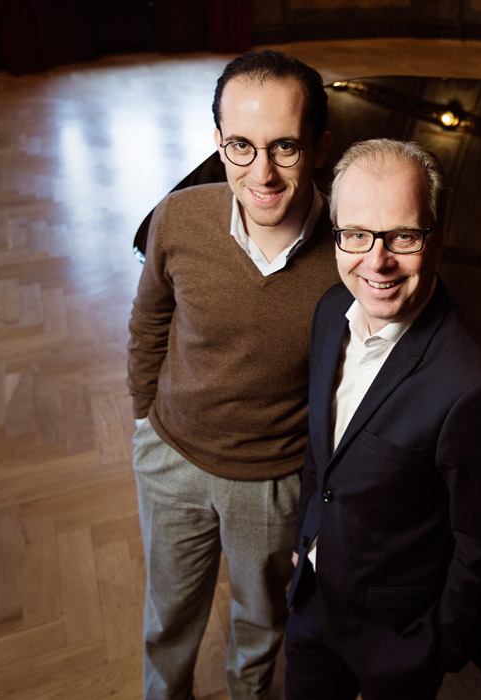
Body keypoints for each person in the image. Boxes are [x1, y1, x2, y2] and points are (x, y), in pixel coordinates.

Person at [284, 138, 481, 700]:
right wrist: (305, 543)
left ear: (436, 241)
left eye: (402, 236)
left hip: (395, 640)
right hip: (313, 599)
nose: (377, 261)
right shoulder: (331, 310)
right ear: (337, 234)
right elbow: (322, 453)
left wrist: (436, 646)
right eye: (356, 235)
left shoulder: (478, 386)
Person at [126, 49, 337, 700]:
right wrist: (144, 418)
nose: (261, 173)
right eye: (241, 146)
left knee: (262, 621)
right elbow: (149, 321)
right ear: (218, 141)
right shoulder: (178, 217)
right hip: (171, 459)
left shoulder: (351, 252)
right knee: (168, 614)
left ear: (320, 147)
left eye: (285, 147)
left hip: (272, 485)